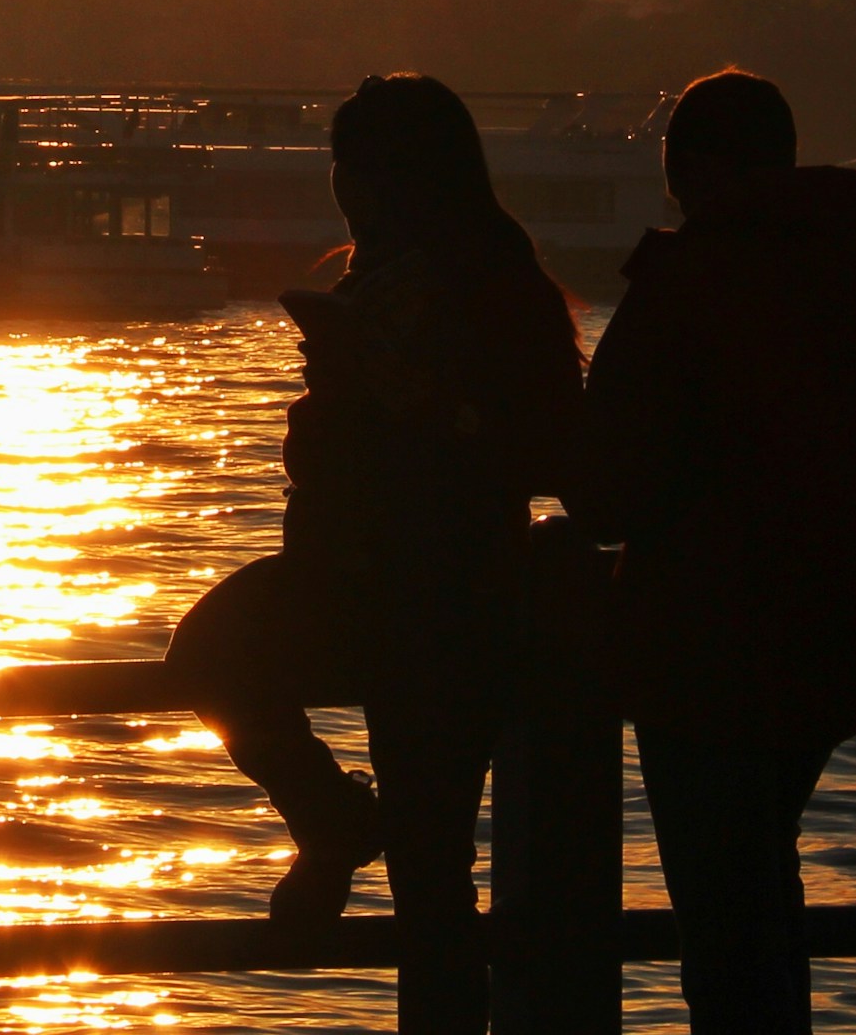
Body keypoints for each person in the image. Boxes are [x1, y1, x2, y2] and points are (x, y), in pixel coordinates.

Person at [165, 73, 583, 1035]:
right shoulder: (377, 273)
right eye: (340, 167)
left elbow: (548, 443)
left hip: (444, 594)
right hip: (357, 577)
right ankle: (332, 818)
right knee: (208, 656)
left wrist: (425, 405)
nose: (346, 189)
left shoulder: (491, 287)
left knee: (433, 880)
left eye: (359, 168)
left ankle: (340, 830)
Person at [576, 68, 856, 1035]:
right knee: (759, 886)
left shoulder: (687, 284)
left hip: (696, 652)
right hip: (840, 642)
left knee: (725, 924)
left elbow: (602, 491)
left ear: (696, 172)